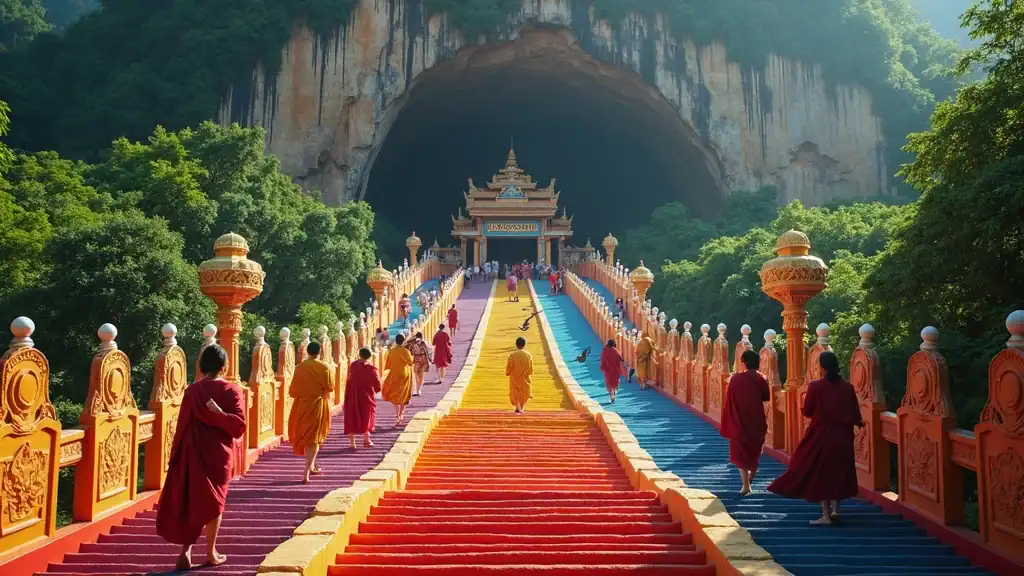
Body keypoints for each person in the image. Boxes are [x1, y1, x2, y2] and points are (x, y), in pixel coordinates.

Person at [156, 344, 246, 570]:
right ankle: (210, 552)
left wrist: (175, 454)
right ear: (224, 367)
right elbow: (239, 427)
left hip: (192, 451)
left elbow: (182, 425)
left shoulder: (192, 391)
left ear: (202, 366)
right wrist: (220, 415)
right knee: (216, 502)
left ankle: (186, 550)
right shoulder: (232, 391)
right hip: (218, 454)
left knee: (191, 498)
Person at [768, 351, 864, 525]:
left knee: (822, 472)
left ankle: (826, 516)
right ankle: (836, 510)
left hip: (822, 435)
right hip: (843, 436)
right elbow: (855, 414)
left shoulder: (815, 386)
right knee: (839, 470)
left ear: (821, 367)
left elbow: (808, 411)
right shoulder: (847, 387)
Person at [720, 350, 771, 495]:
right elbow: (766, 398)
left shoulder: (736, 379)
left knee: (740, 451)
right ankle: (750, 478)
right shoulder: (762, 379)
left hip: (739, 420)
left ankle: (745, 485)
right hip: (757, 420)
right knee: (754, 451)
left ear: (744, 363)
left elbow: (729, 398)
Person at [287, 341, 335, 483]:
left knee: (308, 436)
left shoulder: (299, 368)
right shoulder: (324, 367)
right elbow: (331, 387)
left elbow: (292, 391)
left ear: (307, 352)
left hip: (302, 405)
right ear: (320, 352)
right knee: (314, 437)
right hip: (318, 404)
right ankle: (307, 471)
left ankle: (311, 466)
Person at [344, 347, 381, 449]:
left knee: (351, 416)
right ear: (370, 356)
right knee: (367, 416)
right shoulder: (372, 369)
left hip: (352, 394)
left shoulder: (353, 365)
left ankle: (352, 443)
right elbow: (378, 386)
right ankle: (366, 440)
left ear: (359, 355)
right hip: (366, 396)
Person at [382, 333, 414, 425]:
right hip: (404, 374)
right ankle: (401, 413)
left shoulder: (391, 351)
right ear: (403, 341)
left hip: (394, 374)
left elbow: (388, 364)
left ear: (396, 341)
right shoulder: (406, 351)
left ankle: (397, 415)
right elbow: (411, 362)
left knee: (395, 394)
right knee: (404, 394)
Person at [506, 336, 533, 413]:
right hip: (525, 377)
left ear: (516, 344)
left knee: (515, 393)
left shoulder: (512, 355)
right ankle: (521, 408)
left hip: (515, 377)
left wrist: (508, 372)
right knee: (525, 392)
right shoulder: (528, 355)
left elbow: (509, 367)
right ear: (524, 345)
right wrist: (529, 373)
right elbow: (530, 368)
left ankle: (518, 407)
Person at [599, 339, 625, 403]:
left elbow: (602, 359)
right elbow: (621, 360)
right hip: (615, 370)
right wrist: (622, 370)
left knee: (609, 383)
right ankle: (614, 393)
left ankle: (611, 395)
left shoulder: (605, 350)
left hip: (608, 370)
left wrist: (602, 367)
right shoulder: (615, 351)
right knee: (615, 383)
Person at [407, 331, 432, 396]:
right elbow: (427, 351)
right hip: (423, 359)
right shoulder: (423, 342)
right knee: (421, 375)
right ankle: (419, 390)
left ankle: (418, 390)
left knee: (417, 375)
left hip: (416, 359)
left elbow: (411, 352)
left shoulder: (413, 343)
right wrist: (430, 359)